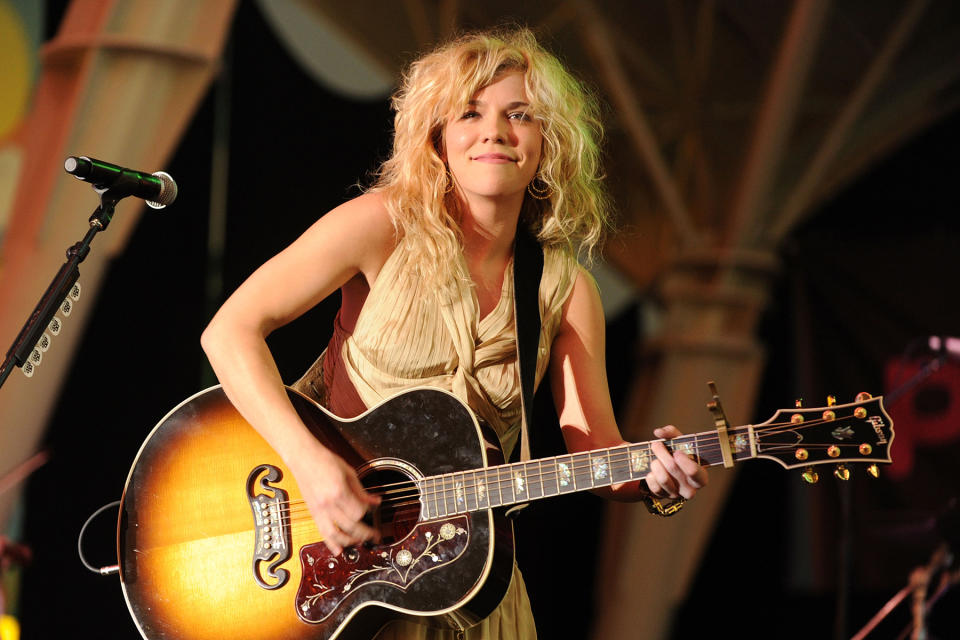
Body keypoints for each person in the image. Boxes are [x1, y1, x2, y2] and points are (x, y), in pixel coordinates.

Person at [201, 27, 707, 639]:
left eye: (519, 114)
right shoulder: (378, 225)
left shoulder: (566, 291)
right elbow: (228, 333)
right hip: (345, 575)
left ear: (550, 142)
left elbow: (598, 453)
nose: (494, 130)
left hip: (476, 597)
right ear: (438, 138)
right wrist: (309, 464)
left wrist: (661, 484)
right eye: (470, 113)